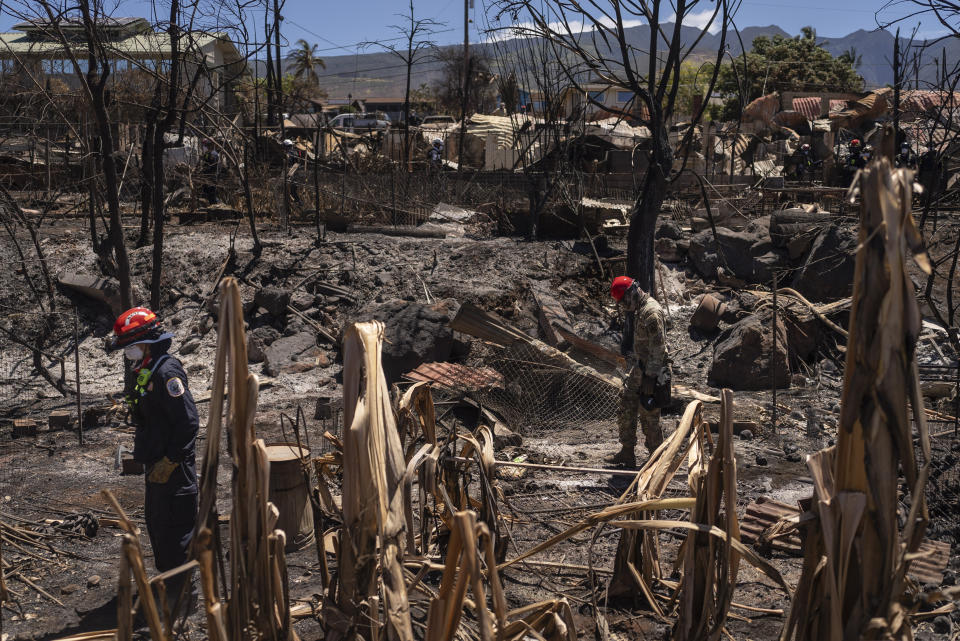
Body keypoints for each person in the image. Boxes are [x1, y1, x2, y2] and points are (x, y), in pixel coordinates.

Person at [109, 307, 199, 616]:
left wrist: (172, 460)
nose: (126, 352)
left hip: (174, 468)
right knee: (158, 525)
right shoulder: (145, 368)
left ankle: (183, 597)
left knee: (176, 530)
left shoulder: (167, 372)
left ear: (147, 341)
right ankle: (168, 587)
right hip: (156, 464)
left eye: (129, 345)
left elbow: (188, 422)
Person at [606, 276, 668, 469]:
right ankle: (627, 452)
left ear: (633, 292)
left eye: (624, 301)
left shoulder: (651, 312)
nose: (624, 306)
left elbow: (659, 348)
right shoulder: (641, 309)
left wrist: (650, 377)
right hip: (641, 368)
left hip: (653, 372)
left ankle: (658, 458)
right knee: (627, 403)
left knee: (649, 414)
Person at [199, 139, 219, 204]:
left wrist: (205, 169)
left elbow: (212, 165)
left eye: (206, 145)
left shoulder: (214, 154)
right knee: (206, 191)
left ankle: (215, 205)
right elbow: (204, 162)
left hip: (211, 176)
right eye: (204, 145)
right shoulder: (207, 154)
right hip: (206, 176)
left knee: (212, 192)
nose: (204, 147)